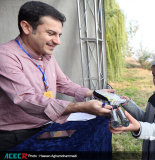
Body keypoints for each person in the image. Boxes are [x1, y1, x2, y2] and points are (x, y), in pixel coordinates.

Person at [0, 1, 113, 151]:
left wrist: (93, 93)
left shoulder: (46, 54)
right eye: (51, 33)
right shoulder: (5, 56)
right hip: (15, 136)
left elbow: (63, 83)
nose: (58, 41)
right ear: (26, 27)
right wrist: (80, 107)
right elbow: (26, 99)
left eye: (59, 35)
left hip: (48, 126)